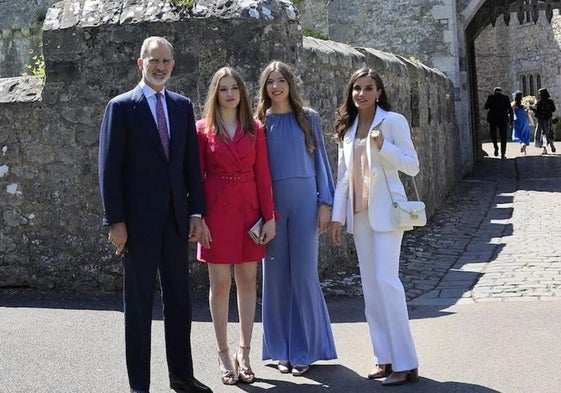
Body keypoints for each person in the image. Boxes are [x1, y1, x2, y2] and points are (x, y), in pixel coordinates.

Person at [98, 36, 212, 393]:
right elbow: (109, 169)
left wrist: (197, 212)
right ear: (140, 63)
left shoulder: (181, 106)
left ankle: (181, 376)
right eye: (154, 61)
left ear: (173, 65)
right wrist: (115, 222)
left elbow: (191, 167)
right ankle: (140, 385)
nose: (160, 67)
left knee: (180, 302)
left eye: (166, 61)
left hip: (177, 221)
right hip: (136, 226)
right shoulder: (121, 107)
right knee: (138, 306)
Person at [329, 68, 420, 386]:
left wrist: (385, 148)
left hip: (388, 213)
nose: (362, 94)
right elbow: (343, 176)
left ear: (379, 92)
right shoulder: (349, 128)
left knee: (387, 281)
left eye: (369, 88)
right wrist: (338, 217)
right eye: (356, 88)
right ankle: (384, 357)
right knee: (370, 287)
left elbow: (412, 165)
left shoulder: (392, 122)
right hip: (360, 215)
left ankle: (406, 362)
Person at [195, 67, 276, 385]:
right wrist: (198, 217)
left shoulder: (255, 127)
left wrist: (269, 217)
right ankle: (223, 353)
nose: (229, 94)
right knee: (219, 285)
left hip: (249, 212)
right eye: (223, 89)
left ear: (242, 93)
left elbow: (264, 176)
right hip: (216, 211)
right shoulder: (202, 129)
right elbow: (196, 178)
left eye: (234, 89)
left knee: (247, 281)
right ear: (215, 94)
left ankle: (245, 353)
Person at [256, 61, 337, 376]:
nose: (276, 87)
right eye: (270, 82)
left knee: (303, 275)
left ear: (290, 83)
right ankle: (280, 349)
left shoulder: (309, 118)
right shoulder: (259, 123)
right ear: (264, 87)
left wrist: (325, 203)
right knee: (275, 278)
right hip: (272, 207)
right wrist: (262, 214)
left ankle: (306, 348)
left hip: (306, 203)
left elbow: (321, 163)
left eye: (281, 81)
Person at [484, 86, 513, 159]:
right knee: (503, 136)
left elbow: (486, 107)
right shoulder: (505, 97)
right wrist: (511, 120)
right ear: (501, 91)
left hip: (493, 118)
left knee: (493, 134)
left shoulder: (491, 97)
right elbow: (510, 109)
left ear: (494, 91)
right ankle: (503, 154)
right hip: (503, 119)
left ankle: (496, 147)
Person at [531, 87, 556, 154]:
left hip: (541, 120)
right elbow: (553, 109)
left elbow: (537, 112)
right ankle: (551, 144)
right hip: (548, 119)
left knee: (542, 134)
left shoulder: (539, 102)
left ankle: (544, 149)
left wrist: (531, 108)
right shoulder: (550, 101)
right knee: (549, 132)